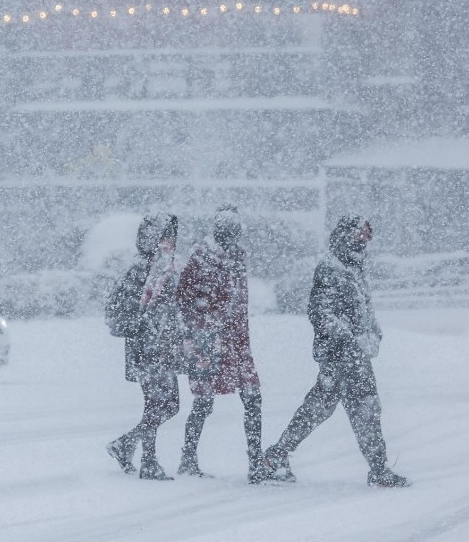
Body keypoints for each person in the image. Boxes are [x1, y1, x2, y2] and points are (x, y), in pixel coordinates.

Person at [264, 215, 411, 488]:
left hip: (351, 353)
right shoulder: (331, 269)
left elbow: (362, 309)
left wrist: (373, 331)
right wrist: (349, 340)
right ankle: (378, 469)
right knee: (363, 406)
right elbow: (320, 313)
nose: (365, 241)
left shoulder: (354, 269)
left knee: (320, 407)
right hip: (342, 353)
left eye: (367, 236)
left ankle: (276, 455)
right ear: (346, 236)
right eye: (360, 236)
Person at [176, 205, 273, 484]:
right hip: (210, 343)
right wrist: (206, 323)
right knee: (204, 402)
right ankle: (188, 458)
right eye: (227, 229)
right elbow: (184, 299)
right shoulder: (201, 258)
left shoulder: (238, 257)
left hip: (238, 342)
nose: (231, 234)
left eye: (235, 229)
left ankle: (255, 462)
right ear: (218, 230)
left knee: (252, 398)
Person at [106, 213, 183, 481]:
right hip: (147, 347)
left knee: (170, 404)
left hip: (164, 345)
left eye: (172, 236)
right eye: (165, 236)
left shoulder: (164, 266)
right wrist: (145, 325)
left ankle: (126, 444)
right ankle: (148, 461)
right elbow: (118, 307)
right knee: (156, 403)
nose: (170, 242)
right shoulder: (142, 268)